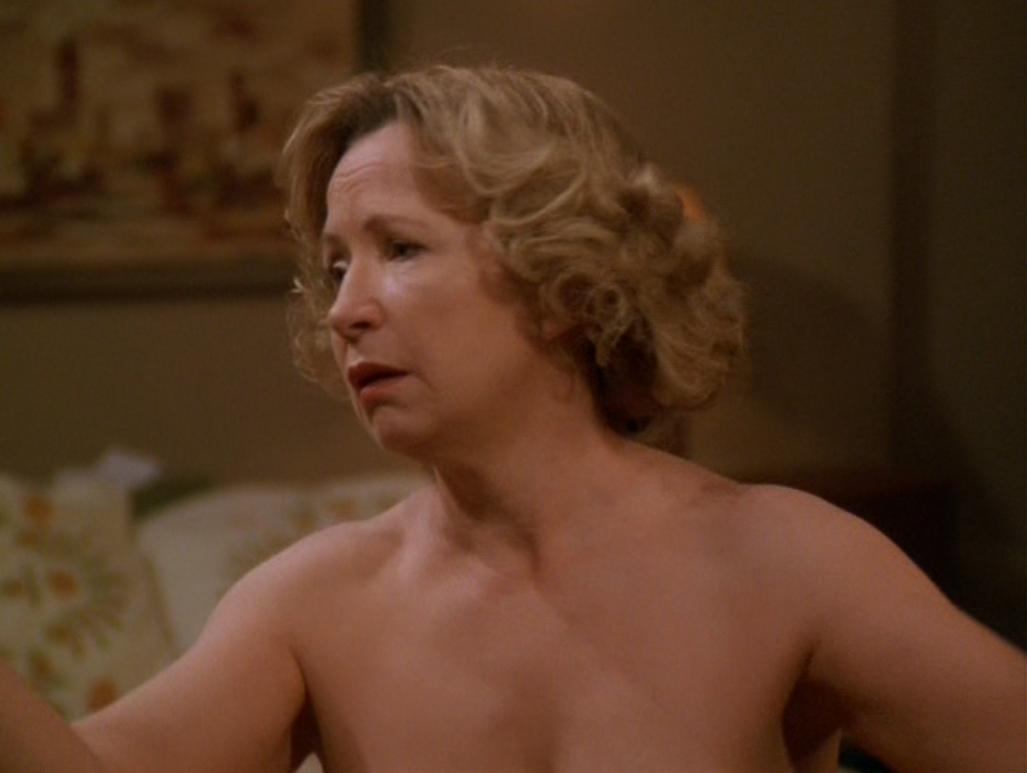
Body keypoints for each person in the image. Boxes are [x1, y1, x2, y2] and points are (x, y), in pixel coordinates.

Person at [2, 64, 1024, 773]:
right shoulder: (316, 601)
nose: (346, 308)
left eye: (401, 248)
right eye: (335, 265)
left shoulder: (784, 561)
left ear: (565, 282)